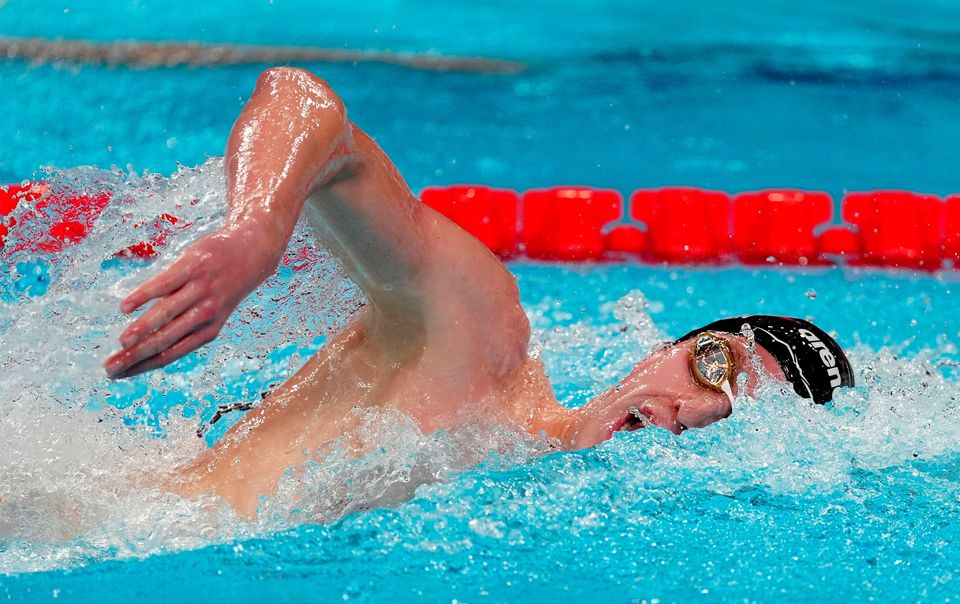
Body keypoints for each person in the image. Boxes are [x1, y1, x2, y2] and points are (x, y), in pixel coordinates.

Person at [102, 67, 854, 519]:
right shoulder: (479, 343)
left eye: (737, 419)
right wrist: (258, 229)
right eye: (715, 368)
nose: (692, 413)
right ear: (666, 348)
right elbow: (304, 103)